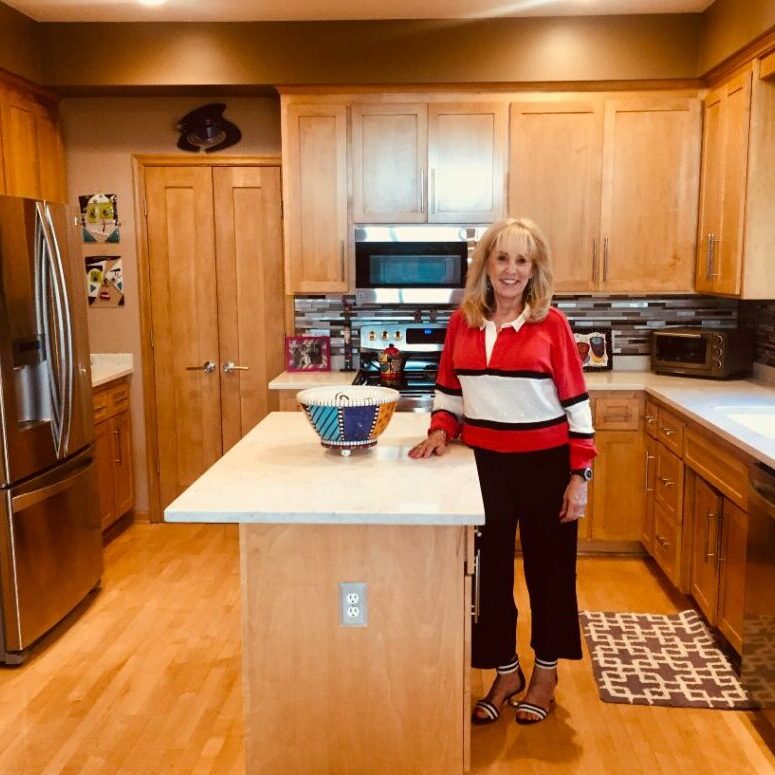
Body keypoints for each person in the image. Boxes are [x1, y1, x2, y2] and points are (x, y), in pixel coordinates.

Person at [408, 217, 596, 725]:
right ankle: (507, 670)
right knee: (486, 574)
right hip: (484, 466)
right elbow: (449, 391)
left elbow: (577, 404)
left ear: (533, 269)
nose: (510, 270)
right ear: (486, 265)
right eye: (502, 258)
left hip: (546, 465)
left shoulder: (550, 324)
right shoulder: (463, 322)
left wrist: (580, 475)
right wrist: (441, 429)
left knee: (549, 573)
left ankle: (547, 672)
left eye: (521, 260)